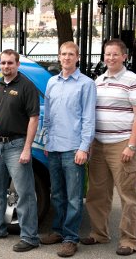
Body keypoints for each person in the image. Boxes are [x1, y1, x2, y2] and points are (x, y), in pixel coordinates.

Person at [82, 38, 136, 256]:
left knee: (127, 195)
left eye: (115, 54)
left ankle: (129, 240)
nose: (110, 58)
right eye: (107, 54)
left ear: (124, 56)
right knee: (97, 193)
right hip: (99, 145)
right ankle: (99, 233)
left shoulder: (134, 80)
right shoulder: (98, 81)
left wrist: (131, 145)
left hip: (121, 145)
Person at [0, 49, 40, 252]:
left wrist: (27, 148)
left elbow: (33, 119)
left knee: (24, 193)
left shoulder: (27, 87)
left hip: (16, 146)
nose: (6, 66)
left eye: (10, 63)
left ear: (17, 64)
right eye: (3, 63)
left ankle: (30, 237)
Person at [39, 42, 96, 257]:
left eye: (71, 54)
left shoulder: (86, 84)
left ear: (77, 57)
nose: (66, 57)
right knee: (58, 194)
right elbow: (48, 115)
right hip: (53, 147)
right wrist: (46, 140)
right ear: (59, 56)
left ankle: (71, 237)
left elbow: (89, 119)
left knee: (74, 197)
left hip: (74, 149)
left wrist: (83, 148)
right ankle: (58, 231)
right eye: (63, 54)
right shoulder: (52, 82)